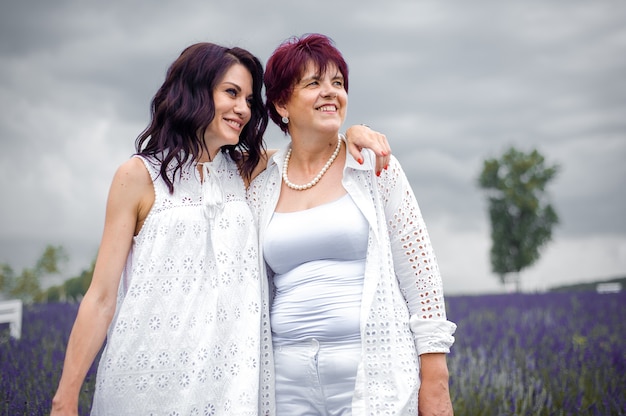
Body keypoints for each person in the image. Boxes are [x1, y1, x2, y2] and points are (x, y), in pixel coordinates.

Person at [50, 42, 389, 416]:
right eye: (231, 93)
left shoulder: (248, 171)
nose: (243, 108)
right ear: (194, 91)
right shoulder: (137, 177)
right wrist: (65, 398)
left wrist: (358, 130)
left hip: (228, 386)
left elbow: (316, 149)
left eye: (247, 98)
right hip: (144, 377)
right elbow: (100, 297)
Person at [247, 34, 457, 415]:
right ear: (281, 104)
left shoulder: (374, 166)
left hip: (371, 375)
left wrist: (436, 379)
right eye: (314, 83)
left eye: (338, 83)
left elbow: (421, 277)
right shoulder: (262, 183)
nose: (331, 93)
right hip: (286, 382)